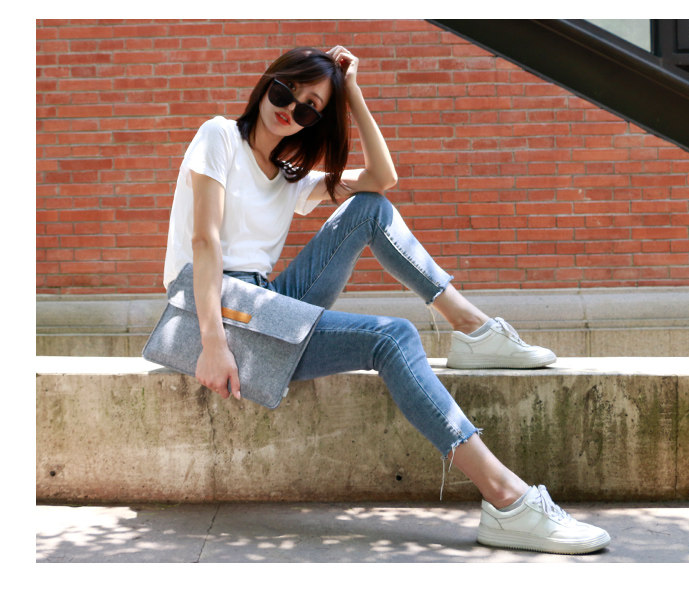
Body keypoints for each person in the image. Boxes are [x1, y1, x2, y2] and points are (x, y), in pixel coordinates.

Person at [162, 45, 610, 555]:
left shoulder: (289, 177)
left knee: (369, 207)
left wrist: (351, 91)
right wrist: (213, 343)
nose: (291, 108)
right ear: (269, 83)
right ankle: (507, 500)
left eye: (310, 107)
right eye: (287, 90)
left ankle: (472, 328)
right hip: (215, 310)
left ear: (315, 122)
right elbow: (205, 242)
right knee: (392, 336)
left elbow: (381, 179)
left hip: (263, 304)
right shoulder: (219, 135)